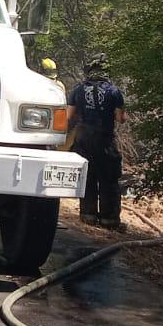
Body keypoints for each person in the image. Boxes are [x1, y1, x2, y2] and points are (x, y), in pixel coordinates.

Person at [68, 53, 126, 228]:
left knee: (87, 176)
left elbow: (69, 116)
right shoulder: (114, 91)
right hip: (105, 139)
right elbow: (120, 118)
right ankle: (109, 219)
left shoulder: (78, 89)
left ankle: (88, 216)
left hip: (83, 139)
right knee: (109, 178)